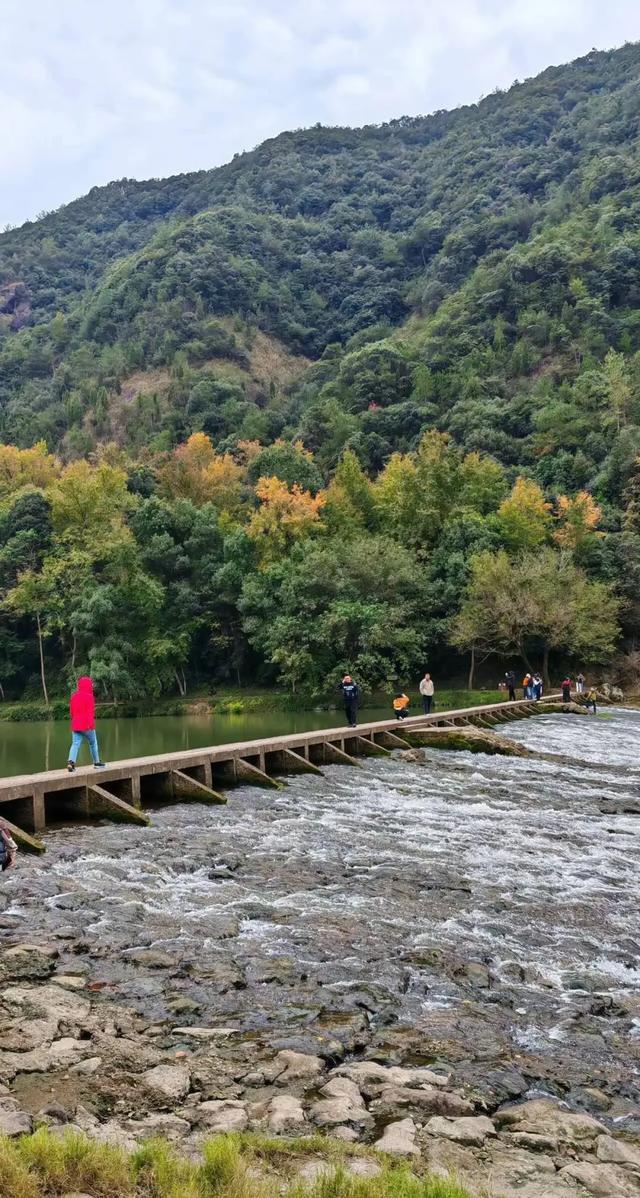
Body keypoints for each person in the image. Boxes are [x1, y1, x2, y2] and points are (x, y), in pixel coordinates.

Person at [67, 676, 106, 771]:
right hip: (87, 725)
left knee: (75, 744)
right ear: (87, 685)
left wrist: (74, 721)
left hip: (76, 725)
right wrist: (91, 725)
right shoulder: (89, 697)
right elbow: (90, 713)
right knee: (93, 743)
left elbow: (71, 712)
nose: (92, 686)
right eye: (91, 684)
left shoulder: (73, 696)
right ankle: (96, 762)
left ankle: (71, 763)